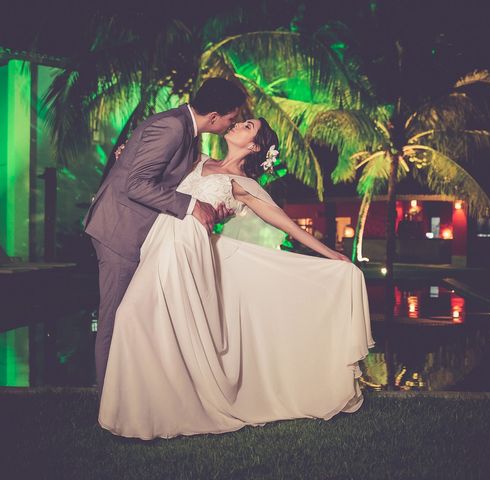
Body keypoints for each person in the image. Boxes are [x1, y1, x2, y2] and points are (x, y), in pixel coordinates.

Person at [98, 117, 374, 439]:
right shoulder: (198, 160)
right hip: (160, 240)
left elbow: (288, 225)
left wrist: (331, 254)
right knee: (143, 320)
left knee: (132, 314)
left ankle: (152, 411)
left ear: (254, 146)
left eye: (247, 126)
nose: (238, 124)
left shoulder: (244, 184)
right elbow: (155, 170)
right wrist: (128, 154)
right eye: (241, 121)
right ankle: (144, 408)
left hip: (186, 248)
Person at [83, 78, 246, 398]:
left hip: (136, 231)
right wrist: (191, 206)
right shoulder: (173, 127)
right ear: (214, 116)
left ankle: (130, 394)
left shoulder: (184, 129)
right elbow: (136, 185)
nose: (233, 123)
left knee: (132, 318)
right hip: (120, 230)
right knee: (115, 318)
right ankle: (107, 402)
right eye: (232, 117)